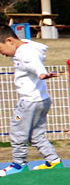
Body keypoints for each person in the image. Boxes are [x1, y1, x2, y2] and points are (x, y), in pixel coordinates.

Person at [0, 25, 61, 175]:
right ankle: (53, 161)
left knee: (17, 132)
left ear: (9, 41)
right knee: (36, 135)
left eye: (0, 49)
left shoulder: (24, 53)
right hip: (42, 100)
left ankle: (19, 164)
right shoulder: (28, 46)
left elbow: (33, 63)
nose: (2, 54)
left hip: (28, 103)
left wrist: (42, 73)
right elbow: (34, 54)